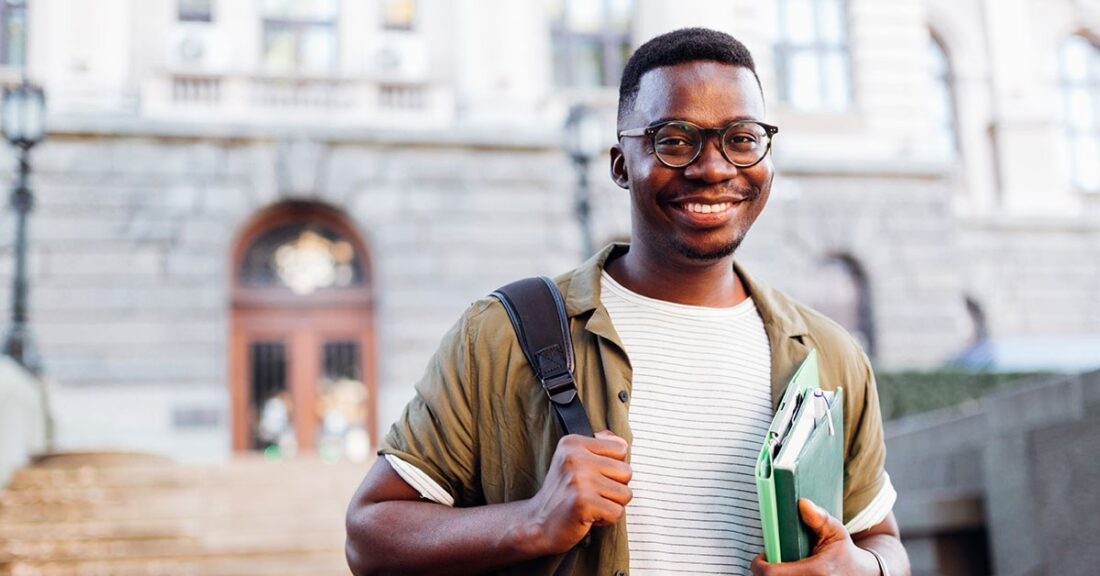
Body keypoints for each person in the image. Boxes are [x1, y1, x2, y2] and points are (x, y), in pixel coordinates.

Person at [345, 27, 910, 576]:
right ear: (621, 165)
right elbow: (370, 535)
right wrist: (533, 521)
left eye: (741, 139)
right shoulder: (503, 335)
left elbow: (881, 541)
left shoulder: (832, 355)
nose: (712, 168)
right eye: (674, 139)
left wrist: (865, 568)